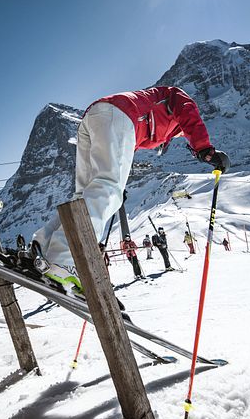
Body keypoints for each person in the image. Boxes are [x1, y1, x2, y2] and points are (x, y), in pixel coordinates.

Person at [32, 87, 229, 292]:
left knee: (84, 195)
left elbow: (123, 148)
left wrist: (119, 184)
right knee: (107, 188)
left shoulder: (156, 120)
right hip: (118, 114)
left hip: (95, 118)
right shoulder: (178, 100)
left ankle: (42, 246)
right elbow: (188, 113)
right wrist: (204, 149)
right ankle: (63, 260)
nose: (181, 135)